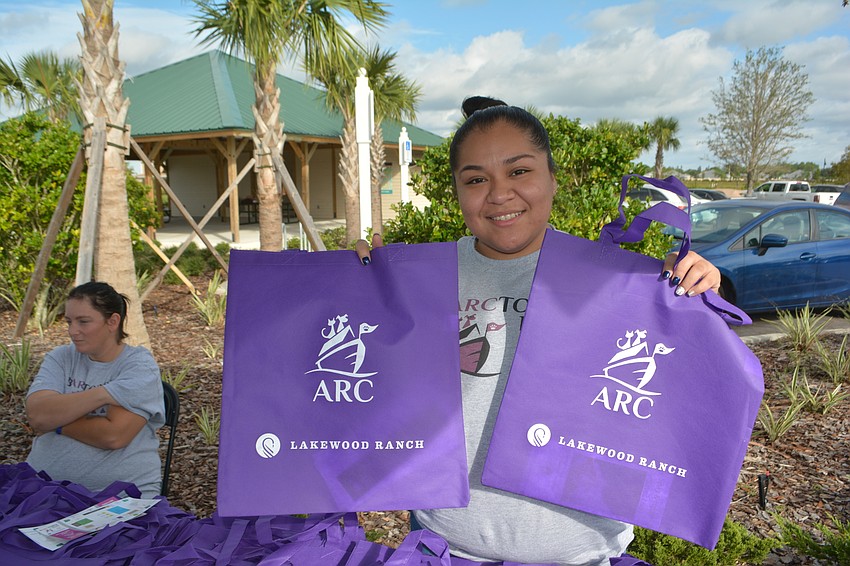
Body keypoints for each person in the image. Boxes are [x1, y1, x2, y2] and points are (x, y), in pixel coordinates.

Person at [356, 96, 721, 565]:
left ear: (553, 178)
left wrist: (692, 290)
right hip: (447, 550)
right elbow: (374, 393)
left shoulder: (615, 282)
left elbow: (678, 398)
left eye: (519, 171)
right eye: (475, 179)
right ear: (457, 192)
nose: (499, 193)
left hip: (582, 555)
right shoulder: (423, 278)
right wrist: (358, 291)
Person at [25, 281, 165, 498]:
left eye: (83, 322)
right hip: (41, 488)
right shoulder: (61, 357)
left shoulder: (138, 366)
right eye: (69, 322)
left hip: (119, 497)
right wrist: (103, 394)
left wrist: (57, 424)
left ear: (113, 321)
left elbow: (113, 436)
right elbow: (38, 415)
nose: (73, 331)